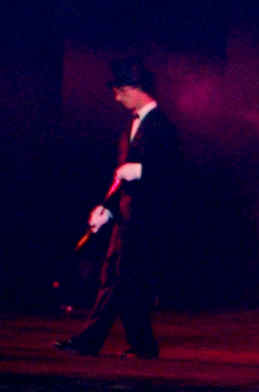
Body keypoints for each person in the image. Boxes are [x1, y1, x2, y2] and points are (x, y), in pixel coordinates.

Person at [55, 57, 180, 359]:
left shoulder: (163, 126)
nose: (117, 98)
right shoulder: (128, 128)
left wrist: (143, 171)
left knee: (117, 279)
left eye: (120, 91)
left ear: (136, 89)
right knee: (126, 281)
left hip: (148, 220)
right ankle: (143, 345)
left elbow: (176, 173)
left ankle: (89, 341)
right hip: (126, 216)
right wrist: (107, 209)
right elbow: (120, 177)